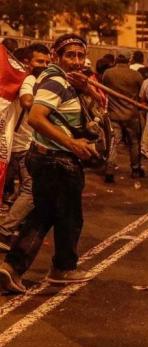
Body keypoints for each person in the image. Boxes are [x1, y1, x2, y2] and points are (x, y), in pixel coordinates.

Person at [0, 34, 103, 293]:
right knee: (70, 218)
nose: (77, 61)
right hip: (56, 161)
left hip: (55, 160)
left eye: (80, 55)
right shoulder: (55, 81)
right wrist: (73, 145)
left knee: (44, 215)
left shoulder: (70, 82)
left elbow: (99, 109)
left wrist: (88, 89)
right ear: (57, 57)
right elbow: (36, 118)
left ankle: (12, 268)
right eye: (70, 56)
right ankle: (62, 269)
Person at [0, 43, 50, 250]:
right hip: (21, 145)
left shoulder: (36, 79)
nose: (44, 65)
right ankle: (4, 231)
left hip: (23, 144)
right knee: (32, 188)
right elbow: (27, 102)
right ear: (28, 62)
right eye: (40, 61)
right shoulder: (28, 79)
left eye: (47, 62)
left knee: (21, 188)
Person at [101, 52, 145, 182]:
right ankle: (135, 169)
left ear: (116, 59)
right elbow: (140, 94)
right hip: (132, 114)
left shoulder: (108, 73)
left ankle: (109, 169)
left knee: (114, 142)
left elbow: (105, 88)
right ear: (129, 60)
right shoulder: (136, 75)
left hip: (114, 114)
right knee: (134, 142)